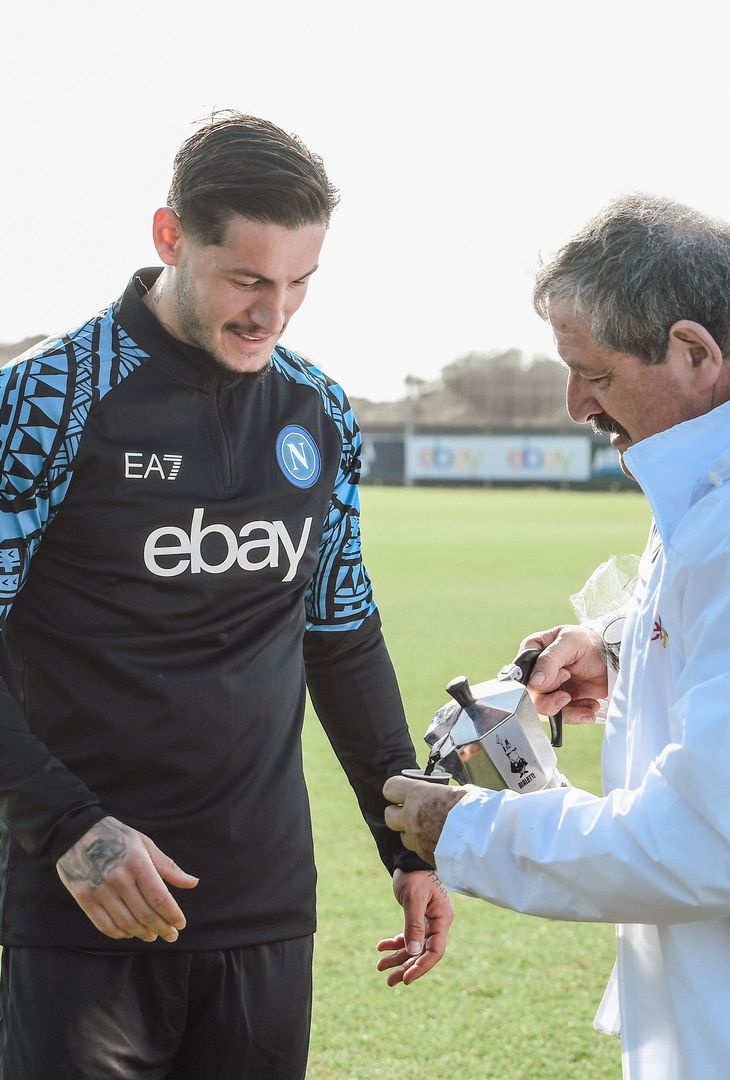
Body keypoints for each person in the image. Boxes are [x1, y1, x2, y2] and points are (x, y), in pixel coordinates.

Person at [0, 111, 452, 1080]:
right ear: (171, 238)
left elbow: (341, 633)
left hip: (263, 907)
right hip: (81, 902)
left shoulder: (317, 409)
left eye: (298, 285)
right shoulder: (49, 402)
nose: (272, 314)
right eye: (247, 279)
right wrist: (69, 829)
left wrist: (406, 842)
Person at [383, 193, 730, 1080]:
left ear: (695, 353)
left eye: (598, 375)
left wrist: (465, 831)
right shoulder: (699, 476)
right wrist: (620, 648)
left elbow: (701, 840)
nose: (575, 403)